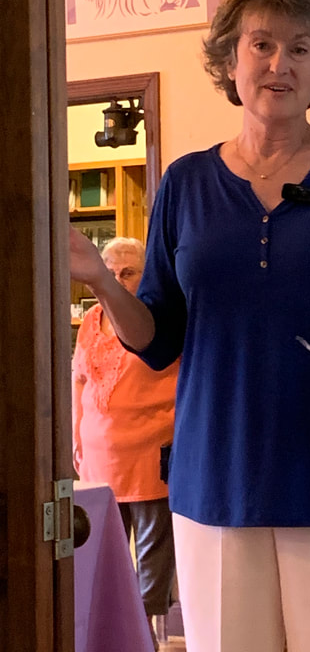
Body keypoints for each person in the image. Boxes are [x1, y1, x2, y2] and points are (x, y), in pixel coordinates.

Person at [69, 0, 310, 652]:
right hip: (215, 478)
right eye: (261, 44)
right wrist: (103, 283)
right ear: (229, 60)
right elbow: (158, 337)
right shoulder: (184, 182)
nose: (278, 64)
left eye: (300, 47)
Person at [71, 237, 178, 652]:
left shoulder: (159, 320)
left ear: (146, 275)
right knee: (101, 554)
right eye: (110, 271)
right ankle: (107, 634)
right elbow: (79, 380)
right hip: (99, 458)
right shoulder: (90, 320)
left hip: (150, 453)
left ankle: (143, 636)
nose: (117, 280)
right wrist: (76, 433)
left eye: (128, 273)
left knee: (152, 558)